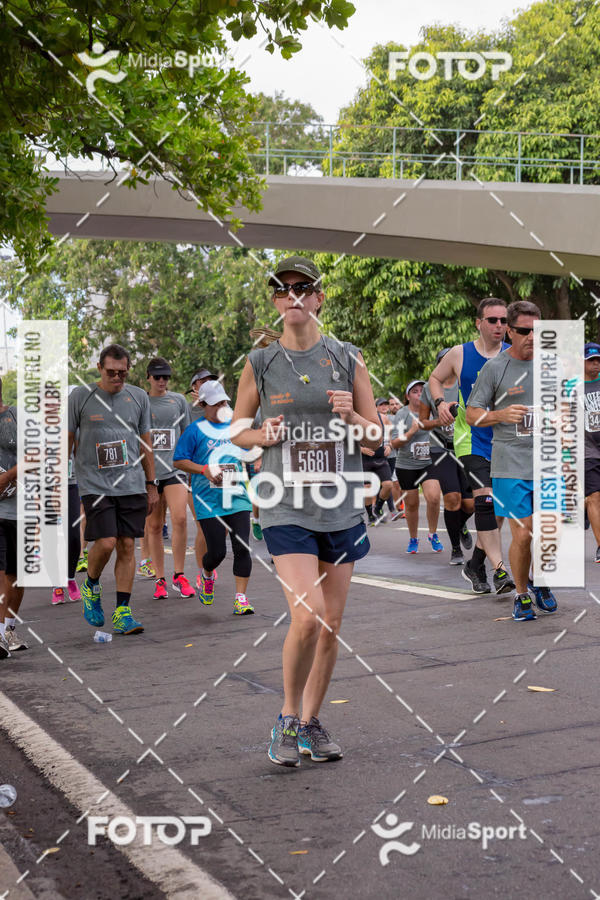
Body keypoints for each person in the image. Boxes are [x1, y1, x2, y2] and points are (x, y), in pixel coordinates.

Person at [231, 255, 381, 767]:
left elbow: (376, 435)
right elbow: (237, 431)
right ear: (275, 302)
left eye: (302, 287)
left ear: (319, 297)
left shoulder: (347, 358)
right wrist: (260, 435)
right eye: (282, 289)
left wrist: (352, 414)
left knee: (331, 621)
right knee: (309, 615)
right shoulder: (260, 363)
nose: (292, 296)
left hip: (339, 507)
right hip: (284, 505)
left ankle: (312, 722)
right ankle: (287, 717)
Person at [467, 301, 558, 621]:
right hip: (509, 463)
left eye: (537, 331)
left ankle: (538, 580)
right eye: (524, 331)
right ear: (509, 330)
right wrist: (500, 414)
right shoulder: (495, 368)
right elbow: (471, 413)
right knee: (524, 532)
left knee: (548, 531)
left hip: (547, 461)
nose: (532, 337)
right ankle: (521, 594)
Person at [68, 344, 158, 635]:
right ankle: (91, 584)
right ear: (99, 368)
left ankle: (122, 612)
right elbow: (67, 441)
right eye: (111, 373)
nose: (117, 378)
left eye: (122, 373)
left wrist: (151, 484)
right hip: (95, 484)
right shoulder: (81, 396)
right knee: (106, 542)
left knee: (127, 545)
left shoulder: (138, 397)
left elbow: (146, 444)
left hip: (131, 484)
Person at [429, 298, 515, 594]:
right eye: (492, 320)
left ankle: (475, 564)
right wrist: (440, 402)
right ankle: (501, 571)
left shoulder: (513, 354)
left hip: (506, 440)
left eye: (504, 321)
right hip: (472, 439)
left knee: (498, 508)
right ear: (478, 322)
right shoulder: (459, 354)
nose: (499, 326)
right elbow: (435, 378)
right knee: (486, 501)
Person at [173, 380, 254, 615]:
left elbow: (248, 451)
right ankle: (206, 574)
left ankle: (241, 598)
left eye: (224, 402)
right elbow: (179, 460)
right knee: (217, 552)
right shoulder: (195, 431)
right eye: (216, 403)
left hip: (237, 496)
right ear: (203, 405)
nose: (221, 406)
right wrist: (203, 469)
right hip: (208, 500)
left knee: (242, 548)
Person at [145, 357, 194, 600]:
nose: (162, 381)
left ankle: (179, 575)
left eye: (166, 377)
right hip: (151, 472)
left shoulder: (179, 400)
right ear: (148, 378)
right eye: (157, 377)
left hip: (175, 469)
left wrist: (191, 466)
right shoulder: (140, 402)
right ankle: (159, 578)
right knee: (153, 526)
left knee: (181, 518)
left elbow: (186, 433)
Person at [420, 349, 474, 565]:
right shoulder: (428, 389)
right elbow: (422, 422)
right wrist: (439, 422)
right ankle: (455, 549)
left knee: (470, 505)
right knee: (452, 499)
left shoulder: (466, 383)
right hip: (440, 450)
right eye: (442, 362)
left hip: (465, 446)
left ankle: (460, 524)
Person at [391, 380, 443, 553]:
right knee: (411, 504)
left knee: (434, 497)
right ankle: (413, 538)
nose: (419, 393)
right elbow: (394, 443)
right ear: (407, 396)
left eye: (422, 390)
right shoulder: (401, 414)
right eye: (415, 391)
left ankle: (433, 534)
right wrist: (412, 431)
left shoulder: (432, 412)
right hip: (406, 464)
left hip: (428, 462)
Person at [0, 381, 27, 658]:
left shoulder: (17, 417)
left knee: (16, 575)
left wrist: (7, 477)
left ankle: (8, 629)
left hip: (18, 509)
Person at [186, 368, 218, 585]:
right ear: (194, 388)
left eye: (211, 381)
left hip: (225, 474)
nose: (207, 384)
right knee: (203, 527)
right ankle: (202, 572)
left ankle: (210, 563)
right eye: (202, 382)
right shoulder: (188, 411)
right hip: (198, 476)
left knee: (223, 528)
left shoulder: (223, 406)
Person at [52, 387, 82, 604]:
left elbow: (81, 454)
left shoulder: (74, 425)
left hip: (71, 484)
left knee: (72, 536)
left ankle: (70, 577)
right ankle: (57, 583)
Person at [581, 342, 600, 562]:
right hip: (587, 451)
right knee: (594, 496)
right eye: (591, 360)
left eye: (598, 360)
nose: (595, 365)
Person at [362, 398, 393, 524]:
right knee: (368, 488)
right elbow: (350, 437)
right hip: (366, 458)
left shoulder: (384, 418)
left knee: (388, 485)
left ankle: (378, 508)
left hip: (380, 457)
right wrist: (361, 449)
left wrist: (390, 446)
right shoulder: (360, 418)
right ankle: (370, 515)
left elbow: (390, 435)